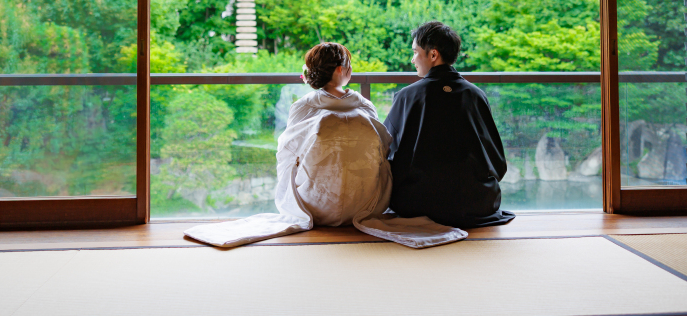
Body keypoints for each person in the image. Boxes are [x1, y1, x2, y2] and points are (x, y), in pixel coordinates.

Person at [185, 42, 466, 249]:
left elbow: (286, 155)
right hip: (364, 205)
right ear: (342, 70)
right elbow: (382, 150)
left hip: (315, 205)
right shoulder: (364, 106)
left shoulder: (303, 106)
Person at [384, 22, 516, 228]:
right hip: (475, 203)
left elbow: (385, 151)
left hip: (417, 204)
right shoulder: (475, 95)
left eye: (415, 52)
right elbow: (497, 161)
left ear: (433, 55)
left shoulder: (406, 96)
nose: (412, 59)